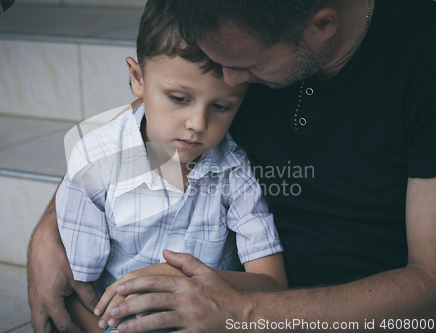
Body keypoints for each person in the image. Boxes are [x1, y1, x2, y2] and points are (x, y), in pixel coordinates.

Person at [28, 0, 436, 332]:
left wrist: (242, 313)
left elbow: (429, 288)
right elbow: (146, 113)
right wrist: (51, 230)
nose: (228, 78)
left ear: (321, 26)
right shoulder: (232, 40)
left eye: (247, 67)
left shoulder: (421, 57)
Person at [45, 1, 287, 332]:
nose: (198, 123)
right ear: (138, 79)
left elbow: (273, 285)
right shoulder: (95, 159)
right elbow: (77, 291)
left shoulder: (235, 172)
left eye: (221, 105)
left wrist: (195, 279)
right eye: (178, 98)